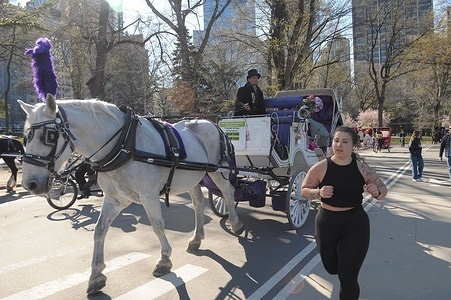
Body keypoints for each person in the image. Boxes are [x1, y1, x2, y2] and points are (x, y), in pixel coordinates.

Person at [301, 126, 387, 300]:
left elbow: (383, 190)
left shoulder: (362, 169)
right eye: (336, 140)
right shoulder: (321, 167)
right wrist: (318, 193)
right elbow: (304, 190)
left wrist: (376, 192)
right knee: (332, 268)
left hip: (355, 225)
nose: (339, 145)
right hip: (327, 224)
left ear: (353, 145)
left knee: (347, 276)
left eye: (344, 141)